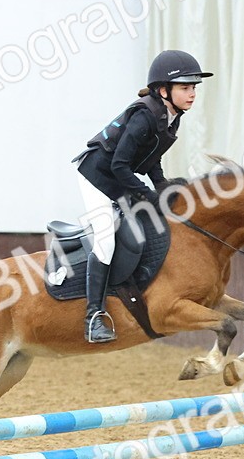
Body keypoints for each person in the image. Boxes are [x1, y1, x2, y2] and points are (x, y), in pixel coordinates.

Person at [71, 49, 213, 343]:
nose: (192, 94)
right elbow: (119, 164)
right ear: (164, 90)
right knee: (106, 238)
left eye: (193, 88)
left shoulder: (172, 117)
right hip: (96, 176)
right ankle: (93, 316)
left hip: (119, 175)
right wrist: (145, 192)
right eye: (185, 87)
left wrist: (164, 187)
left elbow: (150, 159)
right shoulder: (144, 116)